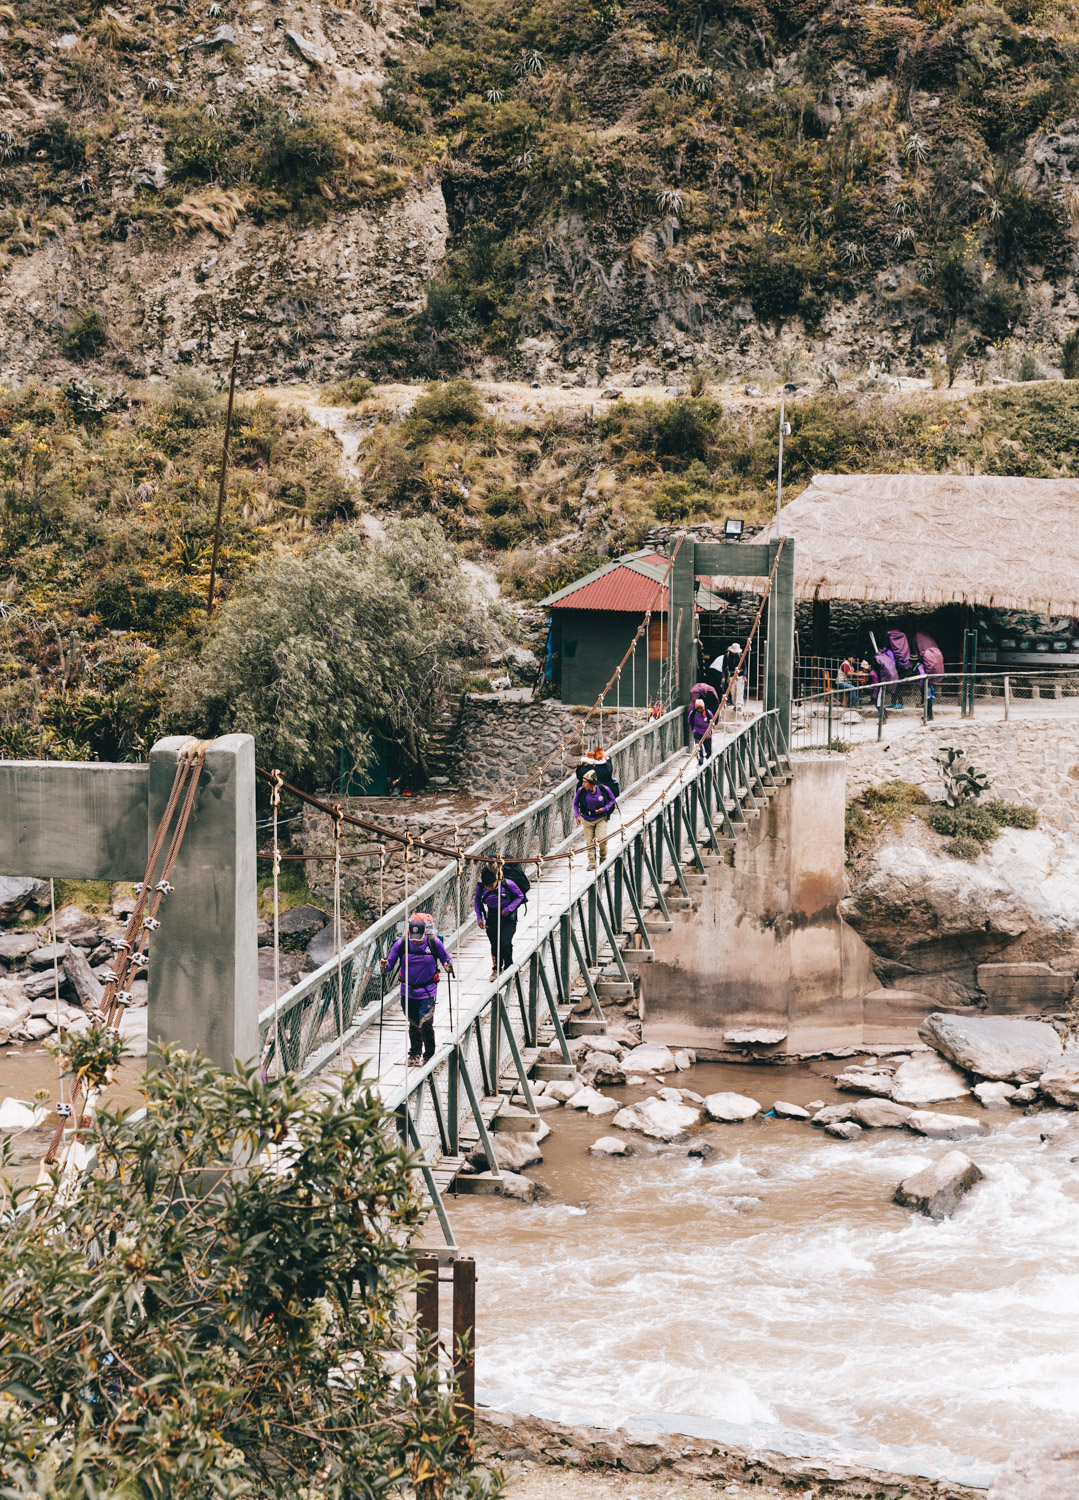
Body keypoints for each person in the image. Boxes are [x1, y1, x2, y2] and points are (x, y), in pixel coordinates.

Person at [381, 916, 453, 1065]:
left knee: (426, 1023)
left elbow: (446, 958)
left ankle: (429, 1055)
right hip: (407, 991)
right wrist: (384, 965)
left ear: (425, 933)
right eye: (413, 938)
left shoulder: (434, 943)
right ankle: (414, 1054)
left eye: (419, 938)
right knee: (413, 1023)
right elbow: (390, 965)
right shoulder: (402, 944)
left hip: (428, 990)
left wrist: (448, 965)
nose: (416, 941)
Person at [473, 864, 525, 979]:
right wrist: (479, 917)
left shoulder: (507, 884)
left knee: (505, 942)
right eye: (486, 886)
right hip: (492, 916)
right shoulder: (481, 887)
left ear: (496, 880)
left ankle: (509, 967)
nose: (488, 888)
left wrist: (509, 909)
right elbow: (477, 901)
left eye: (491, 885)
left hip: (507, 916)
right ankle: (496, 969)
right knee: (494, 943)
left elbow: (520, 896)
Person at [573, 767, 617, 870]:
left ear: (591, 783)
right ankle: (592, 862)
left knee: (601, 839)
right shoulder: (581, 790)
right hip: (587, 819)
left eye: (585, 782)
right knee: (589, 842)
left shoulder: (603, 789)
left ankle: (603, 856)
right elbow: (575, 803)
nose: (582, 784)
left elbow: (612, 800)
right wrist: (577, 815)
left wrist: (604, 809)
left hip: (601, 818)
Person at [687, 695, 714, 762]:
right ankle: (700, 763)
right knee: (699, 749)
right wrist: (693, 729)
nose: (700, 709)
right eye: (698, 708)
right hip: (697, 732)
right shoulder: (693, 713)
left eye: (701, 708)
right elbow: (690, 721)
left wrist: (710, 730)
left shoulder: (708, 713)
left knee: (708, 750)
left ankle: (709, 764)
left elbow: (712, 722)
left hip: (706, 733)